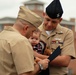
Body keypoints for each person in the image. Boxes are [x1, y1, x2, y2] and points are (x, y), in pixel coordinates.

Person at [0, 6, 49, 75]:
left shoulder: (2, 35)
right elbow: (25, 73)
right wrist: (40, 66)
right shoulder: (21, 41)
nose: (32, 34)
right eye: (32, 31)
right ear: (26, 28)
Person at [38, 0, 76, 75]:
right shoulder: (34, 31)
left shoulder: (67, 33)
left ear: (60, 20)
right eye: (47, 20)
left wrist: (36, 56)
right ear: (43, 14)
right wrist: (55, 59)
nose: (49, 24)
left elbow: (65, 61)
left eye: (54, 22)